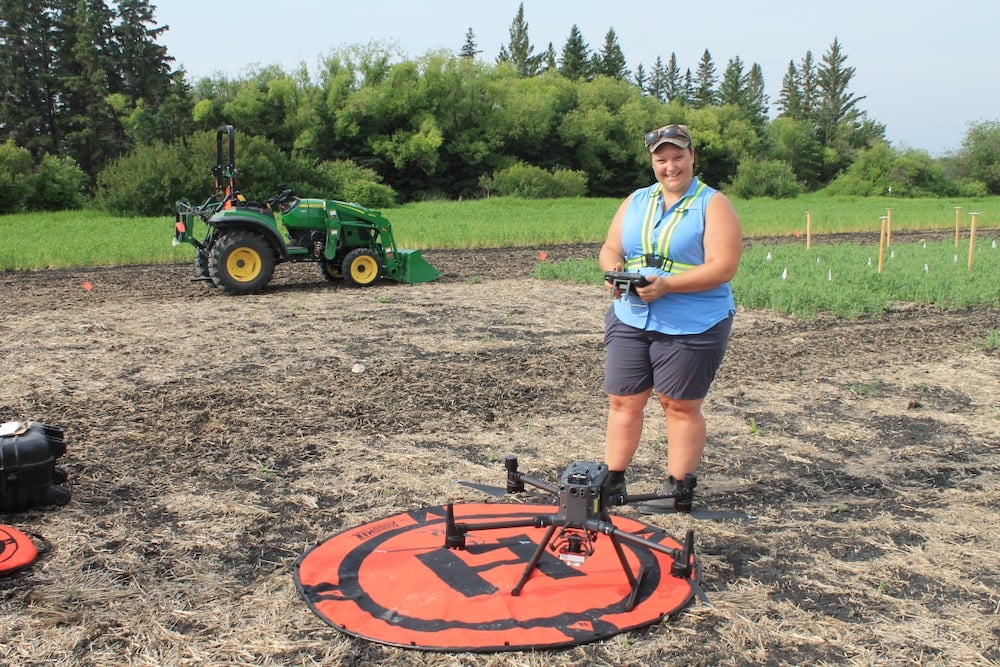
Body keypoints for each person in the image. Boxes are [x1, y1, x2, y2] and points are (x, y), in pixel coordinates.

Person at [599, 123, 742, 513]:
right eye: (661, 159)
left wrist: (668, 286)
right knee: (623, 400)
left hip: (692, 322)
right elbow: (611, 247)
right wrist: (613, 271)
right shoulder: (637, 200)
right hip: (632, 316)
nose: (670, 166)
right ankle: (612, 480)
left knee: (678, 405)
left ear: (693, 157)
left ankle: (678, 489)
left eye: (678, 156)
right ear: (652, 162)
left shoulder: (712, 204)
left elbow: (723, 267)